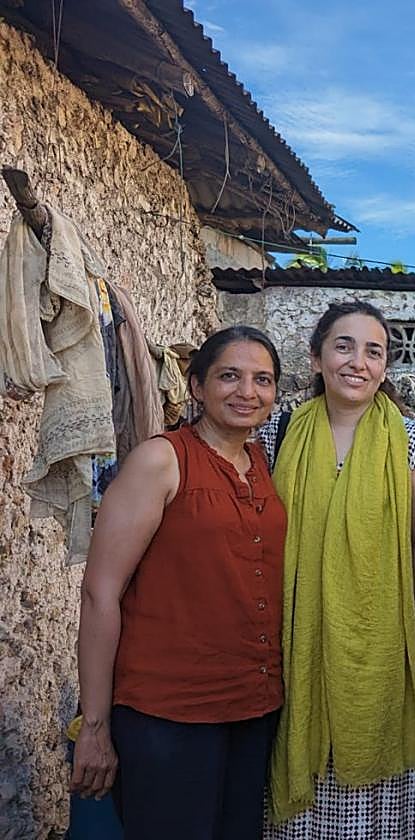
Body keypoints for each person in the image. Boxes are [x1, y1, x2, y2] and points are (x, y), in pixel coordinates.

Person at [72, 326, 285, 840]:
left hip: (252, 705)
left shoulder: (262, 463)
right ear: (196, 387)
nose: (247, 392)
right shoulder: (161, 460)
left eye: (263, 380)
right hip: (168, 712)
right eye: (229, 376)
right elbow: (101, 592)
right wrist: (95, 727)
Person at [264, 301, 415, 839]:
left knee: (371, 756)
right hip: (297, 639)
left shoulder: (412, 443)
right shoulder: (279, 434)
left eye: (373, 350)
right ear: (316, 358)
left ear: (386, 366)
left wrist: (405, 633)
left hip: (377, 641)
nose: (357, 362)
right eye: (343, 346)